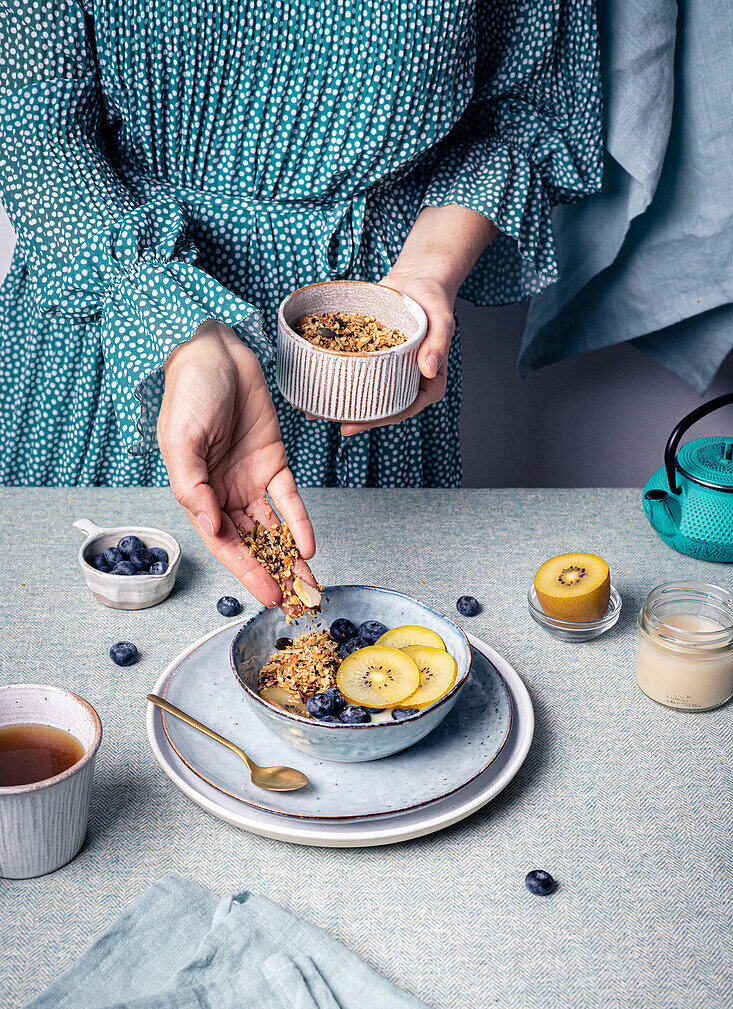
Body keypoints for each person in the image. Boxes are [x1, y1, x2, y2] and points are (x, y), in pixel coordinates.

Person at [0, 1, 602, 605]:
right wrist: (184, 335)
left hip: (375, 336)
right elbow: (35, 136)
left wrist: (427, 270)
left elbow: (522, 109)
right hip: (124, 316)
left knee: (364, 625)